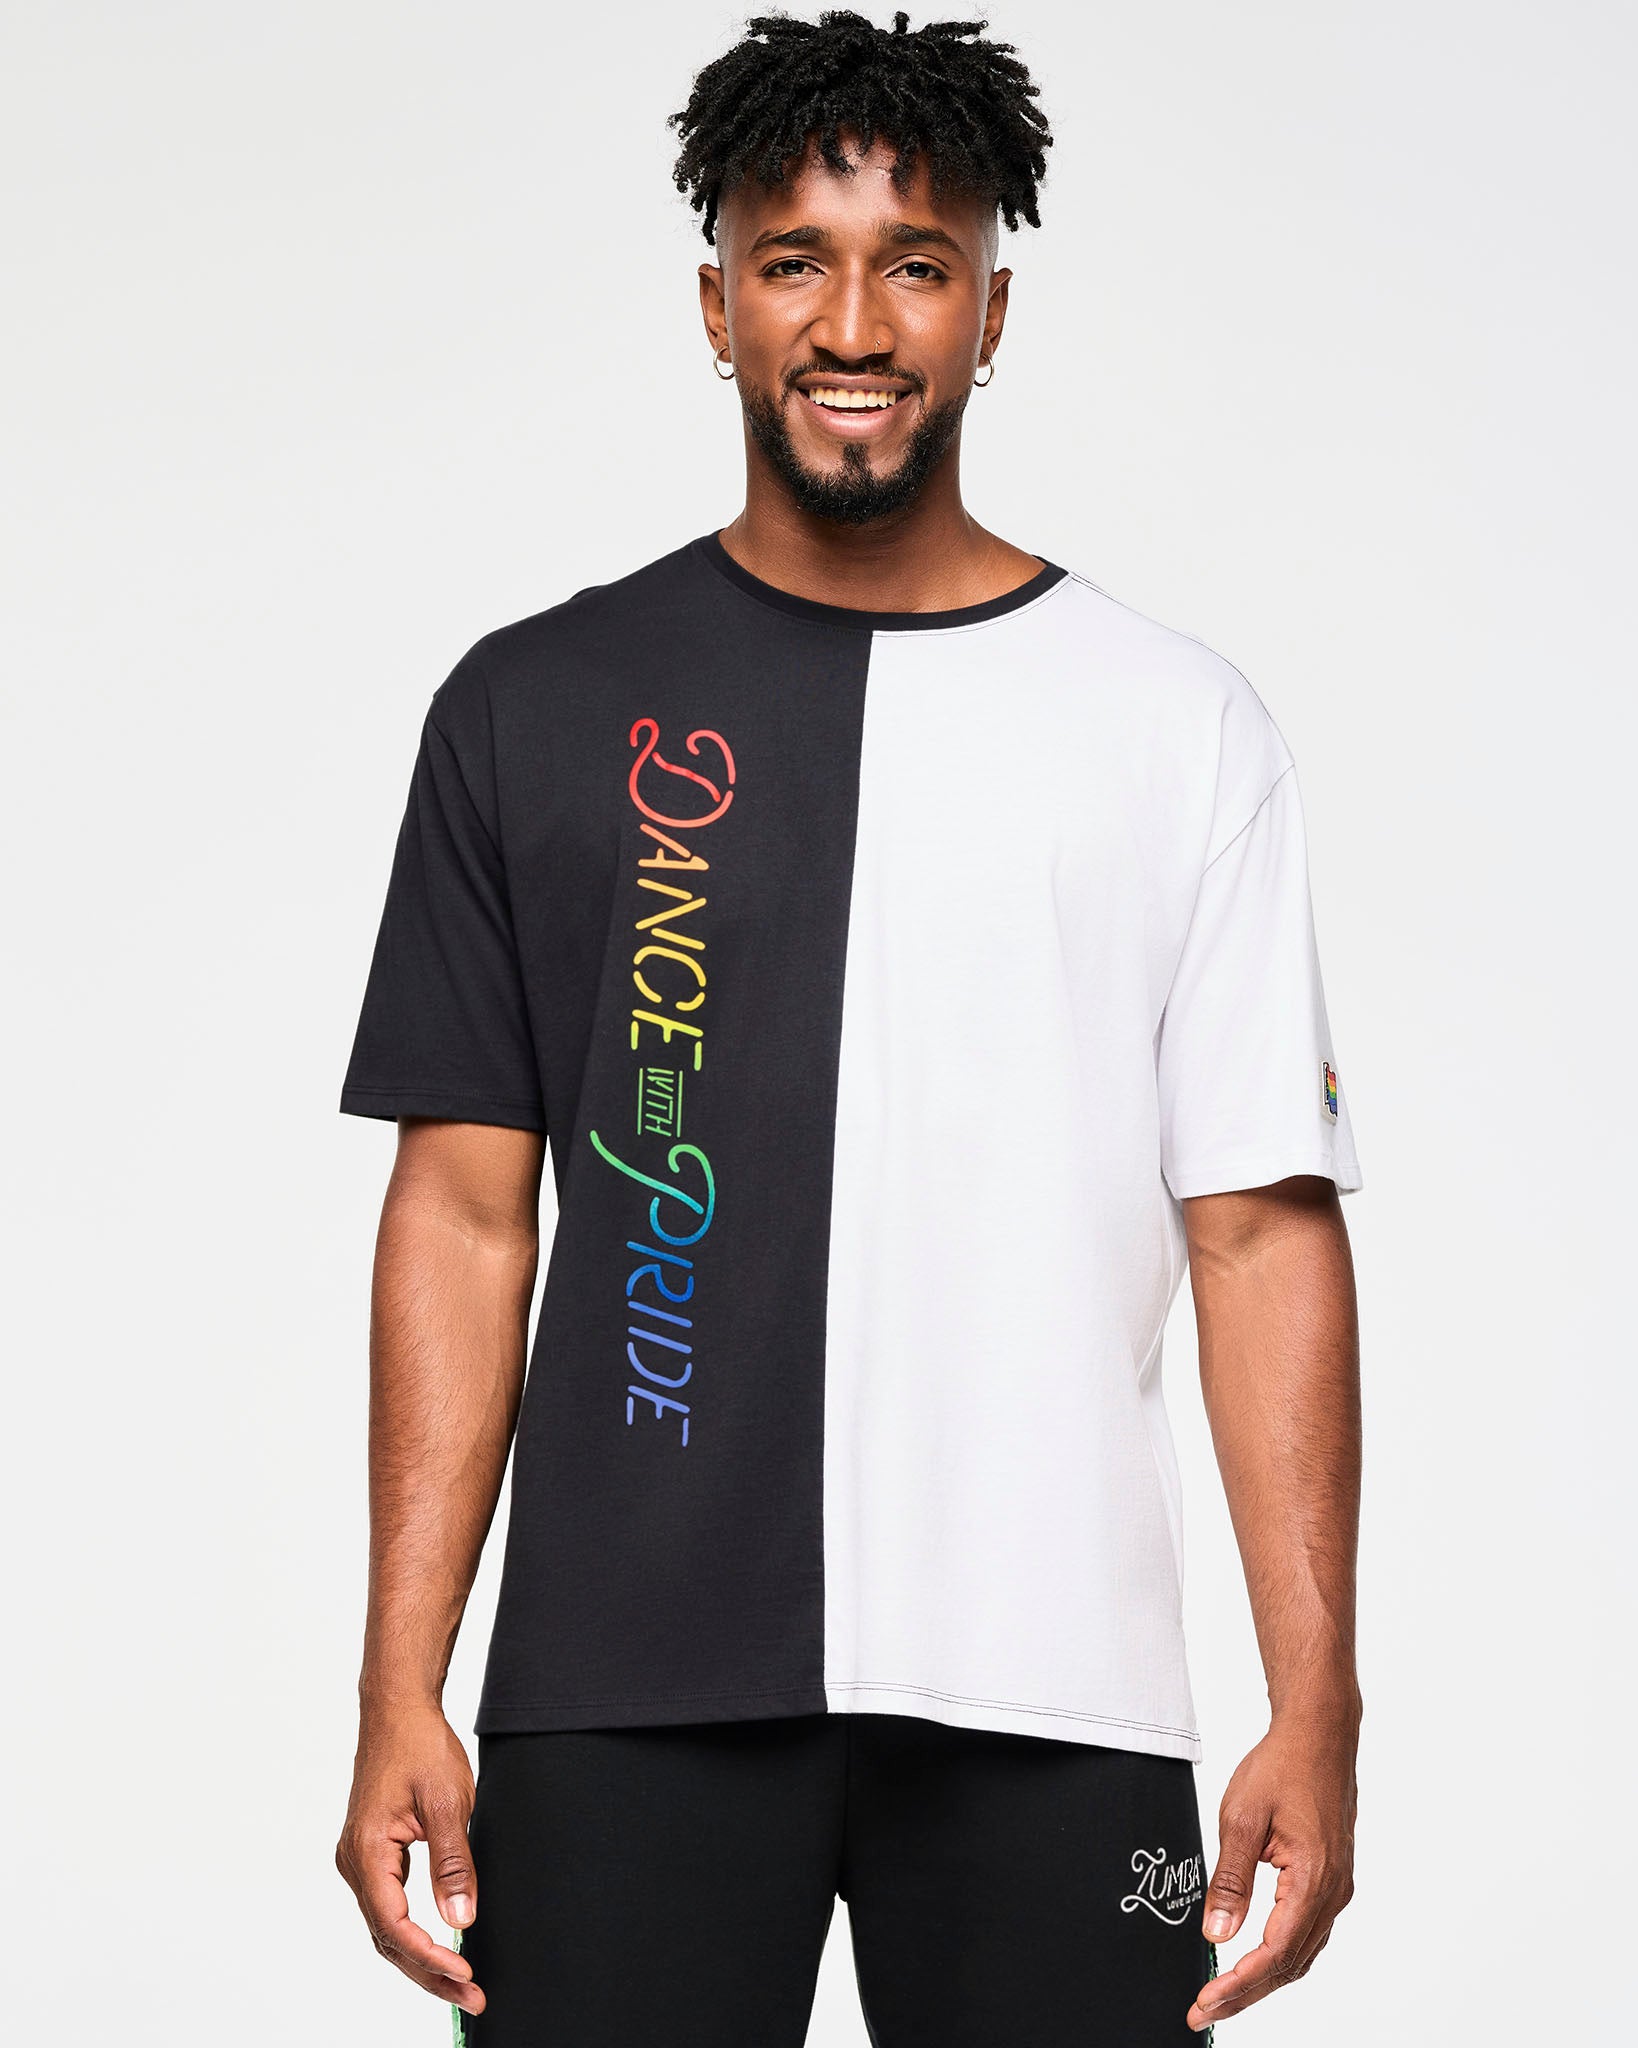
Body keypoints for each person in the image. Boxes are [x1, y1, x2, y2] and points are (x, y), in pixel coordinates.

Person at [334, 11, 1364, 2043]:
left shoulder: (1181, 728)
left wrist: (1315, 1701)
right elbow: (459, 1212)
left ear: (992, 313)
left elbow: (1261, 1233)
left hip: (1072, 1721)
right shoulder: (533, 707)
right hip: (615, 1702)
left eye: (917, 264)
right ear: (715, 304)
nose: (855, 323)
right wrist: (398, 1682)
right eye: (794, 260)